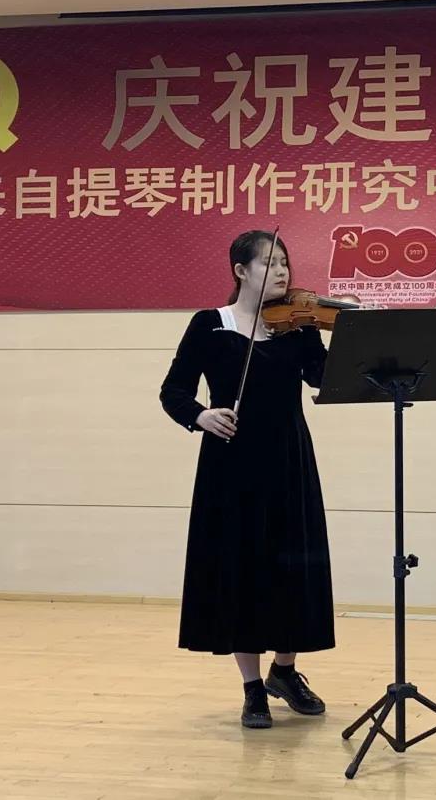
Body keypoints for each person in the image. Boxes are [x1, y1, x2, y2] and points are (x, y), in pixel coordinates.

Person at [158, 230, 335, 729]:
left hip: (288, 458)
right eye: (270, 263)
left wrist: (344, 337)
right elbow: (173, 391)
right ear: (241, 271)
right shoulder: (209, 325)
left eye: (285, 263)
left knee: (293, 565)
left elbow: (322, 377)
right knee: (241, 569)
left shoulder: (297, 326)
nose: (282, 272)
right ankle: (252, 688)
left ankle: (286, 672)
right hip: (231, 463)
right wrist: (200, 416)